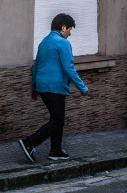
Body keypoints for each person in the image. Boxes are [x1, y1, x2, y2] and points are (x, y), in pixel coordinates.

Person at [18, 13, 88, 163]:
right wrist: (82, 87)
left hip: (43, 87)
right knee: (57, 120)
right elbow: (69, 68)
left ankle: (56, 150)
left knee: (57, 119)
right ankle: (29, 143)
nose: (70, 33)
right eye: (69, 30)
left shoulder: (44, 42)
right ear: (63, 28)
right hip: (55, 87)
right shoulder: (63, 43)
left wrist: (34, 88)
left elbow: (36, 66)